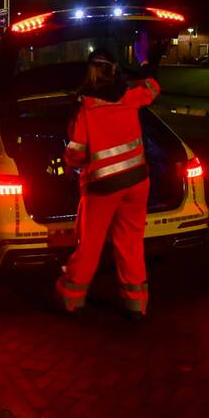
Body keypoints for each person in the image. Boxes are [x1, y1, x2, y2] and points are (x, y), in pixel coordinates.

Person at [54, 47, 160, 320]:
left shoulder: (86, 109)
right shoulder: (130, 97)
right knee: (131, 241)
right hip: (137, 181)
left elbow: (76, 154)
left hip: (102, 188)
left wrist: (69, 164)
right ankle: (137, 305)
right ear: (115, 71)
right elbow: (153, 87)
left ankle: (71, 300)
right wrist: (145, 65)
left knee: (91, 244)